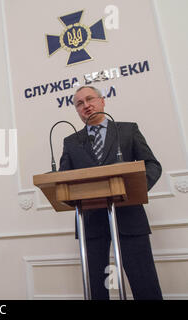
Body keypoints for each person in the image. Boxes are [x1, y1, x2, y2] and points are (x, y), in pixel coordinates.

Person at [59, 85, 163, 300]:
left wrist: (137, 189)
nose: (86, 105)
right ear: (77, 111)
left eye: (90, 99)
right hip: (90, 221)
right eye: (80, 103)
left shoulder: (127, 130)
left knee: (144, 284)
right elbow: (63, 179)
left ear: (102, 101)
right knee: (97, 288)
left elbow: (152, 165)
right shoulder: (70, 142)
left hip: (130, 218)